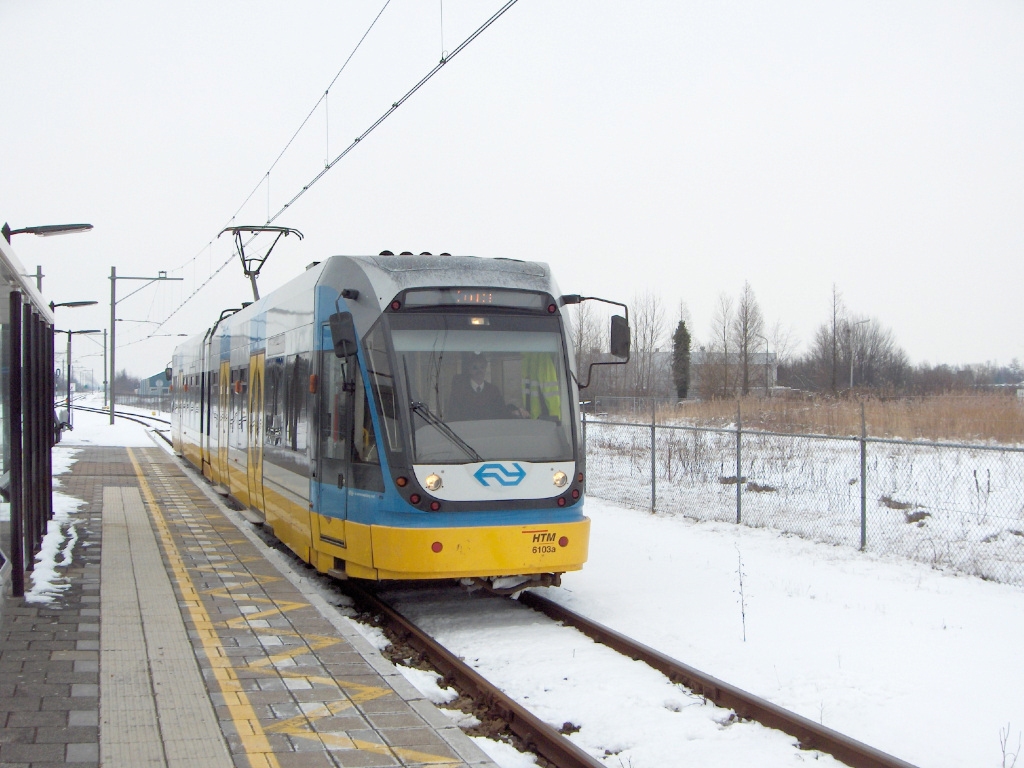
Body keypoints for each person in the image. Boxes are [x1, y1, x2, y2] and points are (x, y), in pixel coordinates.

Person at [445, 353, 523, 421]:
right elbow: (453, 418)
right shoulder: (460, 392)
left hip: (489, 433)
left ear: (485, 368)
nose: (479, 371)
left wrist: (514, 412)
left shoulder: (493, 391)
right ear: (469, 370)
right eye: (475, 368)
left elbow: (502, 413)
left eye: (482, 367)